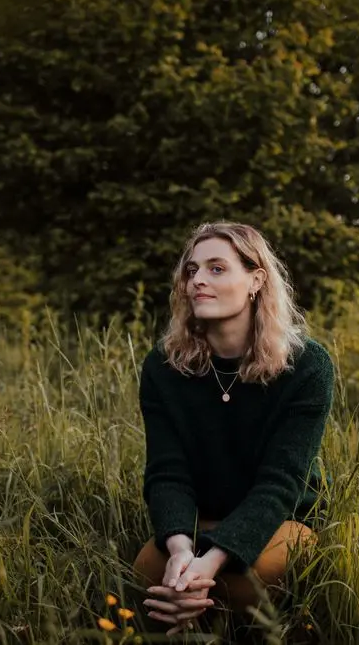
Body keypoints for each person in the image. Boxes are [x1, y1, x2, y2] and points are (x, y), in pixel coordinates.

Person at [131, 222, 335, 635]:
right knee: (148, 572)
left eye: (217, 269)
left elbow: (281, 483)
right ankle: (190, 615)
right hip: (199, 519)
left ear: (256, 280)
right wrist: (180, 550)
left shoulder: (307, 366)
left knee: (241, 582)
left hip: (280, 521)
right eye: (192, 270)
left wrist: (212, 561)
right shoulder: (163, 367)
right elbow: (167, 472)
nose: (198, 281)